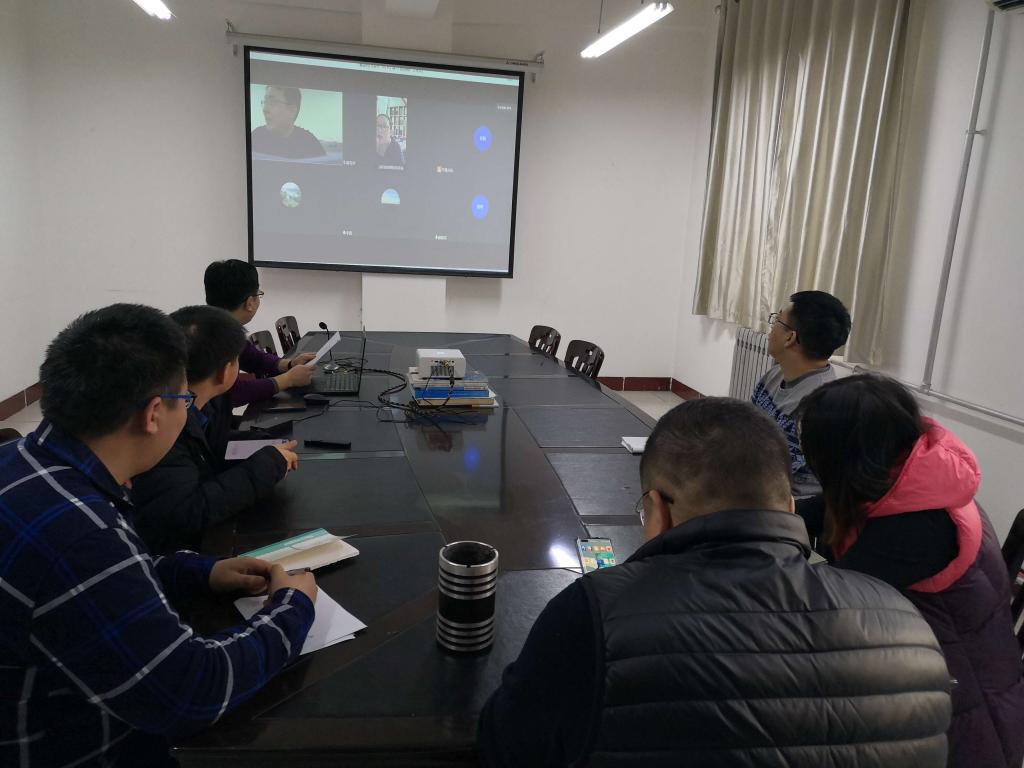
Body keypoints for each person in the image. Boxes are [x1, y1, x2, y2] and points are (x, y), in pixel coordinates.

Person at [478, 397, 952, 767]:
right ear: (790, 506)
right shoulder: (904, 620)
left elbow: (505, 746)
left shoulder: (594, 614)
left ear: (657, 511)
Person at [0, 304, 316, 767]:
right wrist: (293, 607)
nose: (189, 411)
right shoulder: (82, 534)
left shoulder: (23, 459)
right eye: (185, 400)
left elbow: (97, 582)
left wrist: (201, 571)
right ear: (153, 414)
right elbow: (191, 691)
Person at [798, 374, 1024, 767]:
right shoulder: (911, 478)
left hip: (962, 719)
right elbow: (823, 511)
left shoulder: (916, 528)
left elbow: (822, 609)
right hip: (944, 673)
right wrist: (765, 509)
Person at [130, 305, 300, 555]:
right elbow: (190, 510)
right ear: (226, 371)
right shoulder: (166, 424)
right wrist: (266, 466)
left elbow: (209, 446)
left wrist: (260, 443)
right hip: (179, 554)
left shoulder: (207, 402)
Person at [751, 289, 851, 497]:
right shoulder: (776, 374)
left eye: (777, 320)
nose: (771, 328)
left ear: (790, 337)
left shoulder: (819, 405)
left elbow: (777, 475)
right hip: (761, 484)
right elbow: (746, 428)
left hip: (790, 502)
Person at [204, 258, 314, 406]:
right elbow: (232, 393)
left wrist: (289, 364)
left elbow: (252, 358)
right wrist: (288, 379)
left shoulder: (213, 325)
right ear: (250, 303)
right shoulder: (214, 339)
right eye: (258, 294)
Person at [250, 85, 326, 159]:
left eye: (272, 102)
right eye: (265, 102)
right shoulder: (256, 137)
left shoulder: (309, 144)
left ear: (292, 110)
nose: (265, 109)